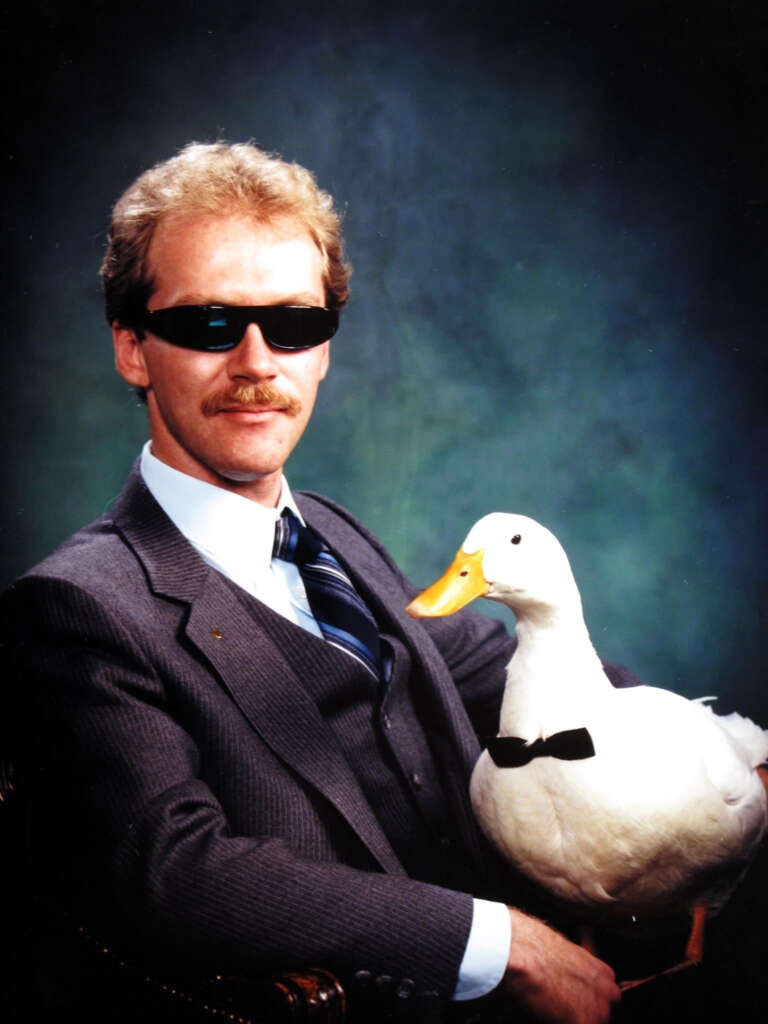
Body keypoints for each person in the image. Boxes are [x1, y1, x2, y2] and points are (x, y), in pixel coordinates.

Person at [2, 142, 625, 1023]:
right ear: (133, 349)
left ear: (324, 351)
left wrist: (723, 754)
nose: (259, 363)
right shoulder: (75, 607)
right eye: (210, 325)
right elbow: (180, 869)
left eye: (293, 325)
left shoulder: (333, 531)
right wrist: (498, 944)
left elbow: (496, 662)